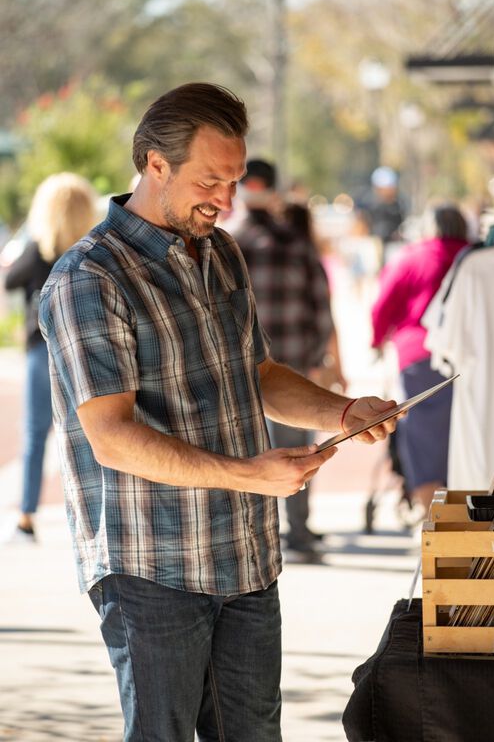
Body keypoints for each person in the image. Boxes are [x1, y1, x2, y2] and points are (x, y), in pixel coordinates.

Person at [39, 82, 398, 742]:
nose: (227, 201)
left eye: (233, 182)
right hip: (152, 567)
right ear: (154, 164)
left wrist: (341, 409)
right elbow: (112, 439)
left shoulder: (222, 251)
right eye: (210, 180)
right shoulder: (89, 277)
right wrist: (250, 474)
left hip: (246, 558)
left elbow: (255, 373)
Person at [235, 167, 346, 562]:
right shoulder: (297, 245)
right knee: (299, 451)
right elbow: (321, 306)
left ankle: (256, 535)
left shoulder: (229, 244)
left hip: (241, 369)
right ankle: (298, 531)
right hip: (295, 364)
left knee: (249, 450)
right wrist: (318, 356)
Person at [3, 172, 98, 542]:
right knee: (94, 431)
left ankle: (27, 517)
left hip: (41, 350)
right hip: (85, 348)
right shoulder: (92, 251)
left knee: (34, 433)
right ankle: (96, 516)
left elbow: (10, 282)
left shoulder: (36, 251)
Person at [370, 203, 469, 515]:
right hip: (469, 357)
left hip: (418, 358)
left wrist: (376, 341)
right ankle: (466, 515)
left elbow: (382, 306)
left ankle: (431, 517)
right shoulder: (474, 256)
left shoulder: (411, 257)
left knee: (422, 439)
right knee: (465, 435)